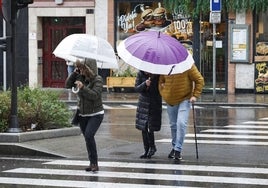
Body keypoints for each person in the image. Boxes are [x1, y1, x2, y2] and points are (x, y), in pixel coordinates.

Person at [158, 64, 204, 161]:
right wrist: (164, 92)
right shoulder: (165, 66)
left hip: (185, 98)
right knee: (173, 125)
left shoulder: (187, 65)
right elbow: (161, 81)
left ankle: (178, 149)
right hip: (170, 99)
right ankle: (174, 147)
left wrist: (195, 95)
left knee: (181, 123)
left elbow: (199, 80)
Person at [65, 58, 104, 172]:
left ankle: (95, 163)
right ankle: (92, 163)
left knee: (89, 135)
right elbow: (67, 85)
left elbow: (94, 95)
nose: (81, 70)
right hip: (82, 114)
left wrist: (83, 88)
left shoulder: (98, 79)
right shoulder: (80, 77)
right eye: (80, 68)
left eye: (82, 68)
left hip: (96, 114)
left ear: (88, 69)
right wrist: (74, 73)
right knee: (88, 139)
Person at [135, 71, 162, 159]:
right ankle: (146, 149)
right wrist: (145, 84)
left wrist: (153, 84)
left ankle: (152, 147)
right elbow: (137, 88)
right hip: (143, 103)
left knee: (150, 127)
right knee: (144, 127)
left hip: (154, 103)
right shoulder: (140, 74)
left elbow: (159, 90)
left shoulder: (158, 75)